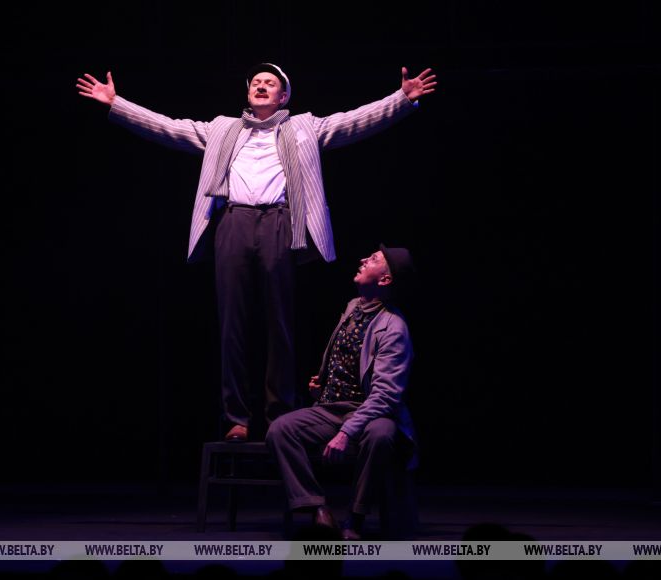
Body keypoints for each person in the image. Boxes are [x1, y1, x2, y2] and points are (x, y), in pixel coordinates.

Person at [76, 64, 436, 442]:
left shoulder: (304, 127)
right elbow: (169, 127)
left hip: (280, 222)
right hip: (234, 221)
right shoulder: (222, 129)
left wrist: (401, 99)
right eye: (257, 83)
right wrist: (117, 103)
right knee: (232, 322)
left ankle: (280, 414)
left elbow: (355, 121)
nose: (261, 86)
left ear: (284, 96)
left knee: (280, 322)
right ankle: (237, 416)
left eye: (271, 83)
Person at [266, 245, 417, 540]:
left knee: (381, 434)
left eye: (373, 259)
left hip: (370, 414)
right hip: (332, 409)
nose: (363, 259)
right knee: (280, 430)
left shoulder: (394, 328)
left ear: (385, 279)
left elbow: (386, 396)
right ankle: (317, 508)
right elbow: (348, 360)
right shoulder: (352, 307)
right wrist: (325, 384)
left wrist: (347, 431)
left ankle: (356, 516)